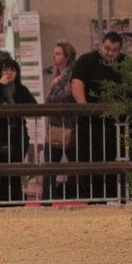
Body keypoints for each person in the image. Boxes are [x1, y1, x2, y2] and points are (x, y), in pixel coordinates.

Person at [71, 31, 125, 199]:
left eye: (114, 50)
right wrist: (84, 108)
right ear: (101, 45)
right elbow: (77, 83)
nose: (110, 53)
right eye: (107, 48)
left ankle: (114, 197)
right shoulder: (86, 61)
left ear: (119, 50)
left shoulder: (124, 63)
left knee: (115, 161)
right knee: (90, 162)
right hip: (90, 124)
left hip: (115, 125)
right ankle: (92, 199)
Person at [0, 57, 37, 202]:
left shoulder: (20, 89)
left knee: (15, 171)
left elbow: (33, 105)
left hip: (17, 137)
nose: (9, 73)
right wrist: (0, 86)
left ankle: (16, 200)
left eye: (13, 69)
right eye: (5, 69)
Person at [45, 41, 77, 198]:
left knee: (74, 165)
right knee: (49, 166)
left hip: (68, 125)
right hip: (55, 124)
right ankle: (47, 198)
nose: (54, 56)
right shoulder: (56, 74)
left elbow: (65, 96)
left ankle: (76, 196)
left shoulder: (70, 74)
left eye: (58, 53)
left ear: (67, 57)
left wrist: (54, 87)